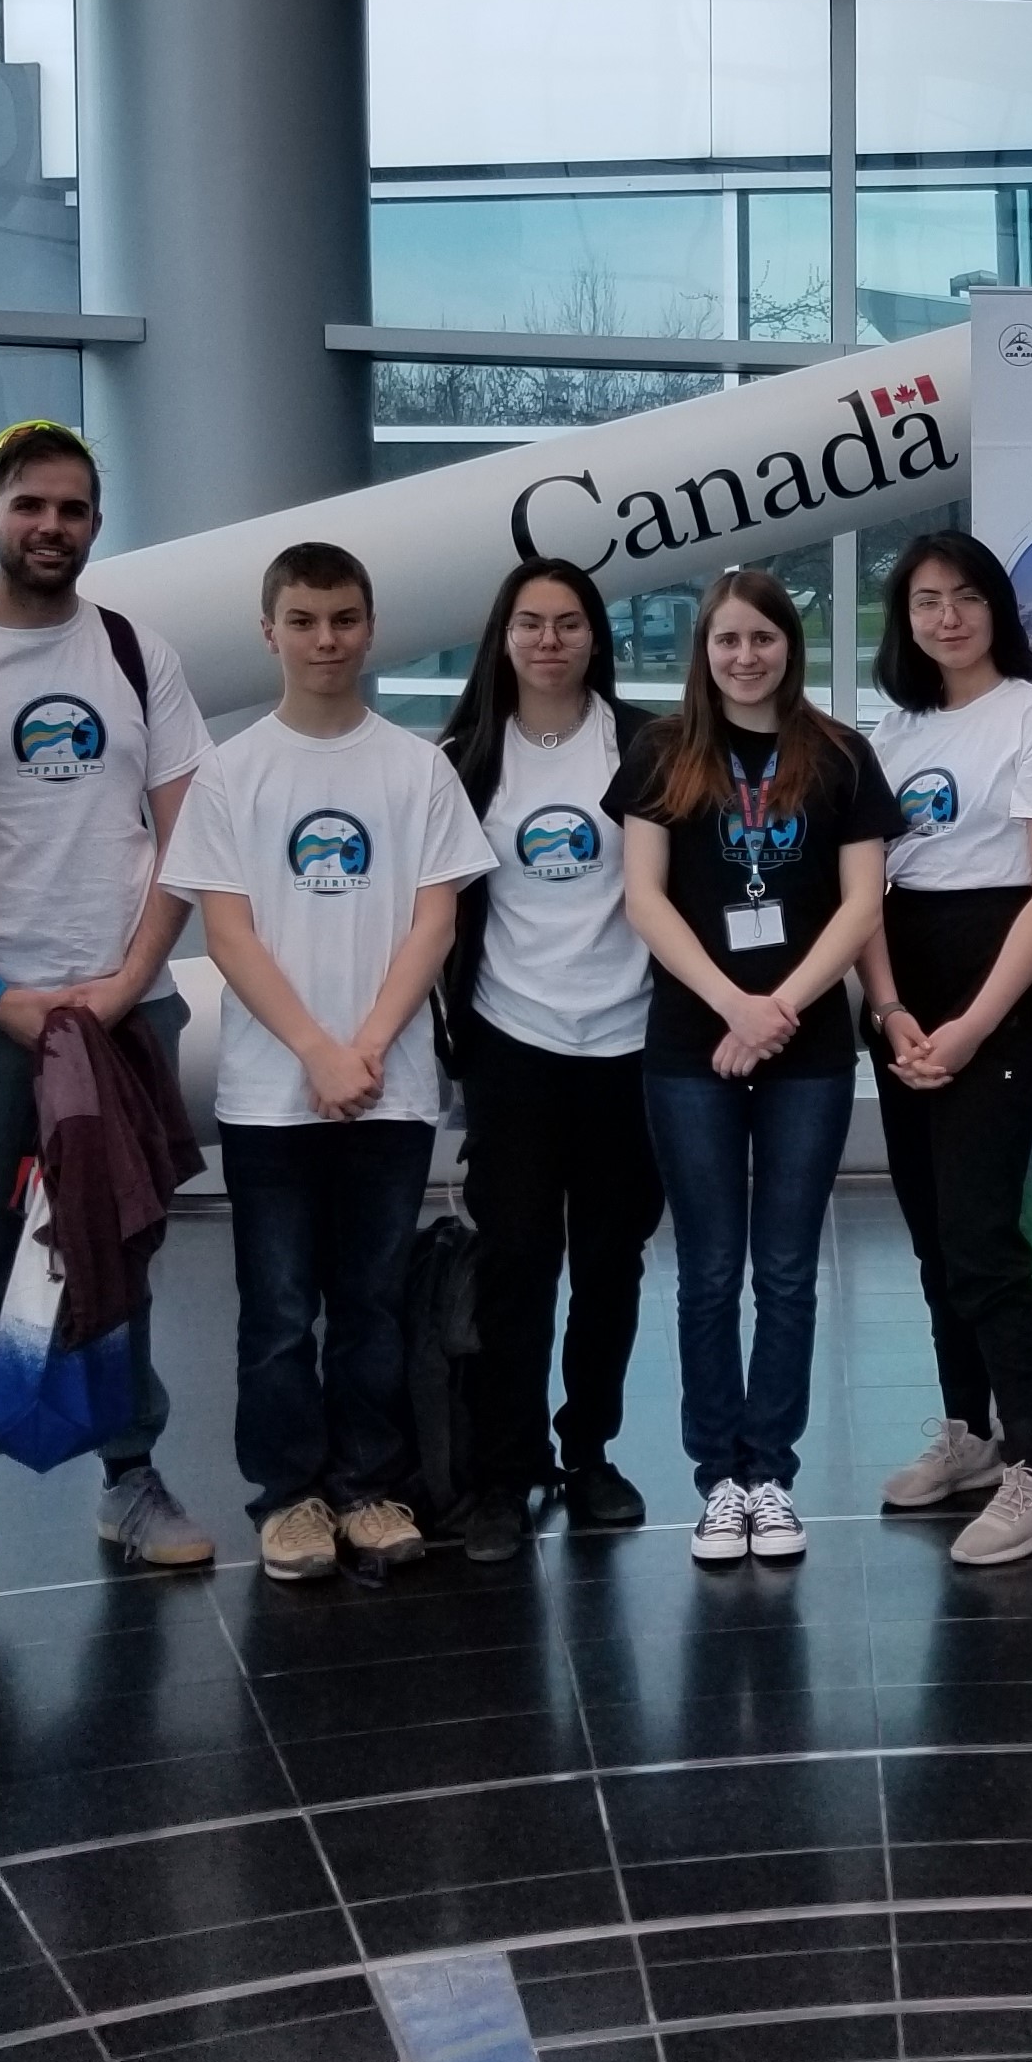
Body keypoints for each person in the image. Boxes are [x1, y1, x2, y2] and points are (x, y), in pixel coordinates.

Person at [0, 421, 216, 1609]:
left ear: (95, 524)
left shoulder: (136, 654)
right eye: (29, 505)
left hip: (123, 1008)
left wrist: (127, 983)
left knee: (117, 1241)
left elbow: (190, 835)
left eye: (72, 509)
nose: (50, 526)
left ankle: (130, 1479)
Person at [163, 542, 491, 1586]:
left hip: (388, 1090)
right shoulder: (231, 773)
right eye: (303, 621)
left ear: (371, 627)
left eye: (344, 619)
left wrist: (366, 1050)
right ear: (270, 632)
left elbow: (435, 922)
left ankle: (367, 1487)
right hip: (272, 1095)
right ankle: (289, 1498)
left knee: (372, 1306)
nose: (326, 640)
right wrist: (316, 1050)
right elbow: (228, 934)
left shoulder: (418, 769)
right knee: (275, 1314)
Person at [604, 567, 896, 1565]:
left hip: (807, 1048)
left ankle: (771, 1475)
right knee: (708, 1270)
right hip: (692, 1045)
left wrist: (778, 1011)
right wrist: (734, 1006)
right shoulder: (662, 753)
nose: (744, 656)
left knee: (786, 1270)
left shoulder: (841, 755)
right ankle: (717, 1483)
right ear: (705, 650)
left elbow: (862, 905)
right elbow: (644, 898)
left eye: (762, 638)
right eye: (726, 639)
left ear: (788, 647)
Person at [860, 534, 1032, 1565]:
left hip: (993, 991)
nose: (947, 617)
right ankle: (968, 1434)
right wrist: (888, 1009)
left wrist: (969, 1026)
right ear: (904, 619)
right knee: (930, 1234)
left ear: (996, 607)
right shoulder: (893, 731)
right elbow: (863, 886)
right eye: (925, 601)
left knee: (980, 1236)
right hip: (904, 997)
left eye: (965, 597)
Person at [435, 557, 665, 1563]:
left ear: (595, 637)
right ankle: (504, 1470)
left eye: (569, 623)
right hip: (512, 1043)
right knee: (517, 1260)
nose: (549, 641)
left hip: (629, 1044)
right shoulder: (464, 758)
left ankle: (589, 1452)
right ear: (504, 637)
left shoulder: (648, 746)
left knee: (612, 1262)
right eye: (530, 623)